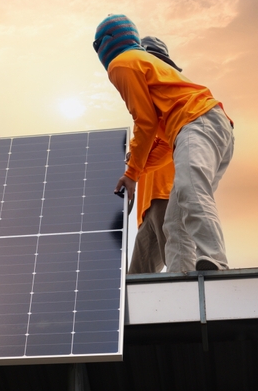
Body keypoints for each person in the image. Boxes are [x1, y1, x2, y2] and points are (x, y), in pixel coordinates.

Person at [95, 15, 233, 272]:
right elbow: (164, 146)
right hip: (207, 127)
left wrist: (133, 172)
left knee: (191, 191)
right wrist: (135, 173)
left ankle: (216, 263)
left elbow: (144, 121)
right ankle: (184, 284)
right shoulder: (152, 77)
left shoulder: (121, 64)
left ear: (102, 45)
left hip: (197, 122)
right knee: (175, 222)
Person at [126, 36, 179, 274]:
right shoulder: (146, 105)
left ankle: (192, 310)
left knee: (181, 266)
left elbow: (169, 144)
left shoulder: (168, 98)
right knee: (137, 282)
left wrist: (135, 168)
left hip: (166, 194)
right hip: (147, 208)